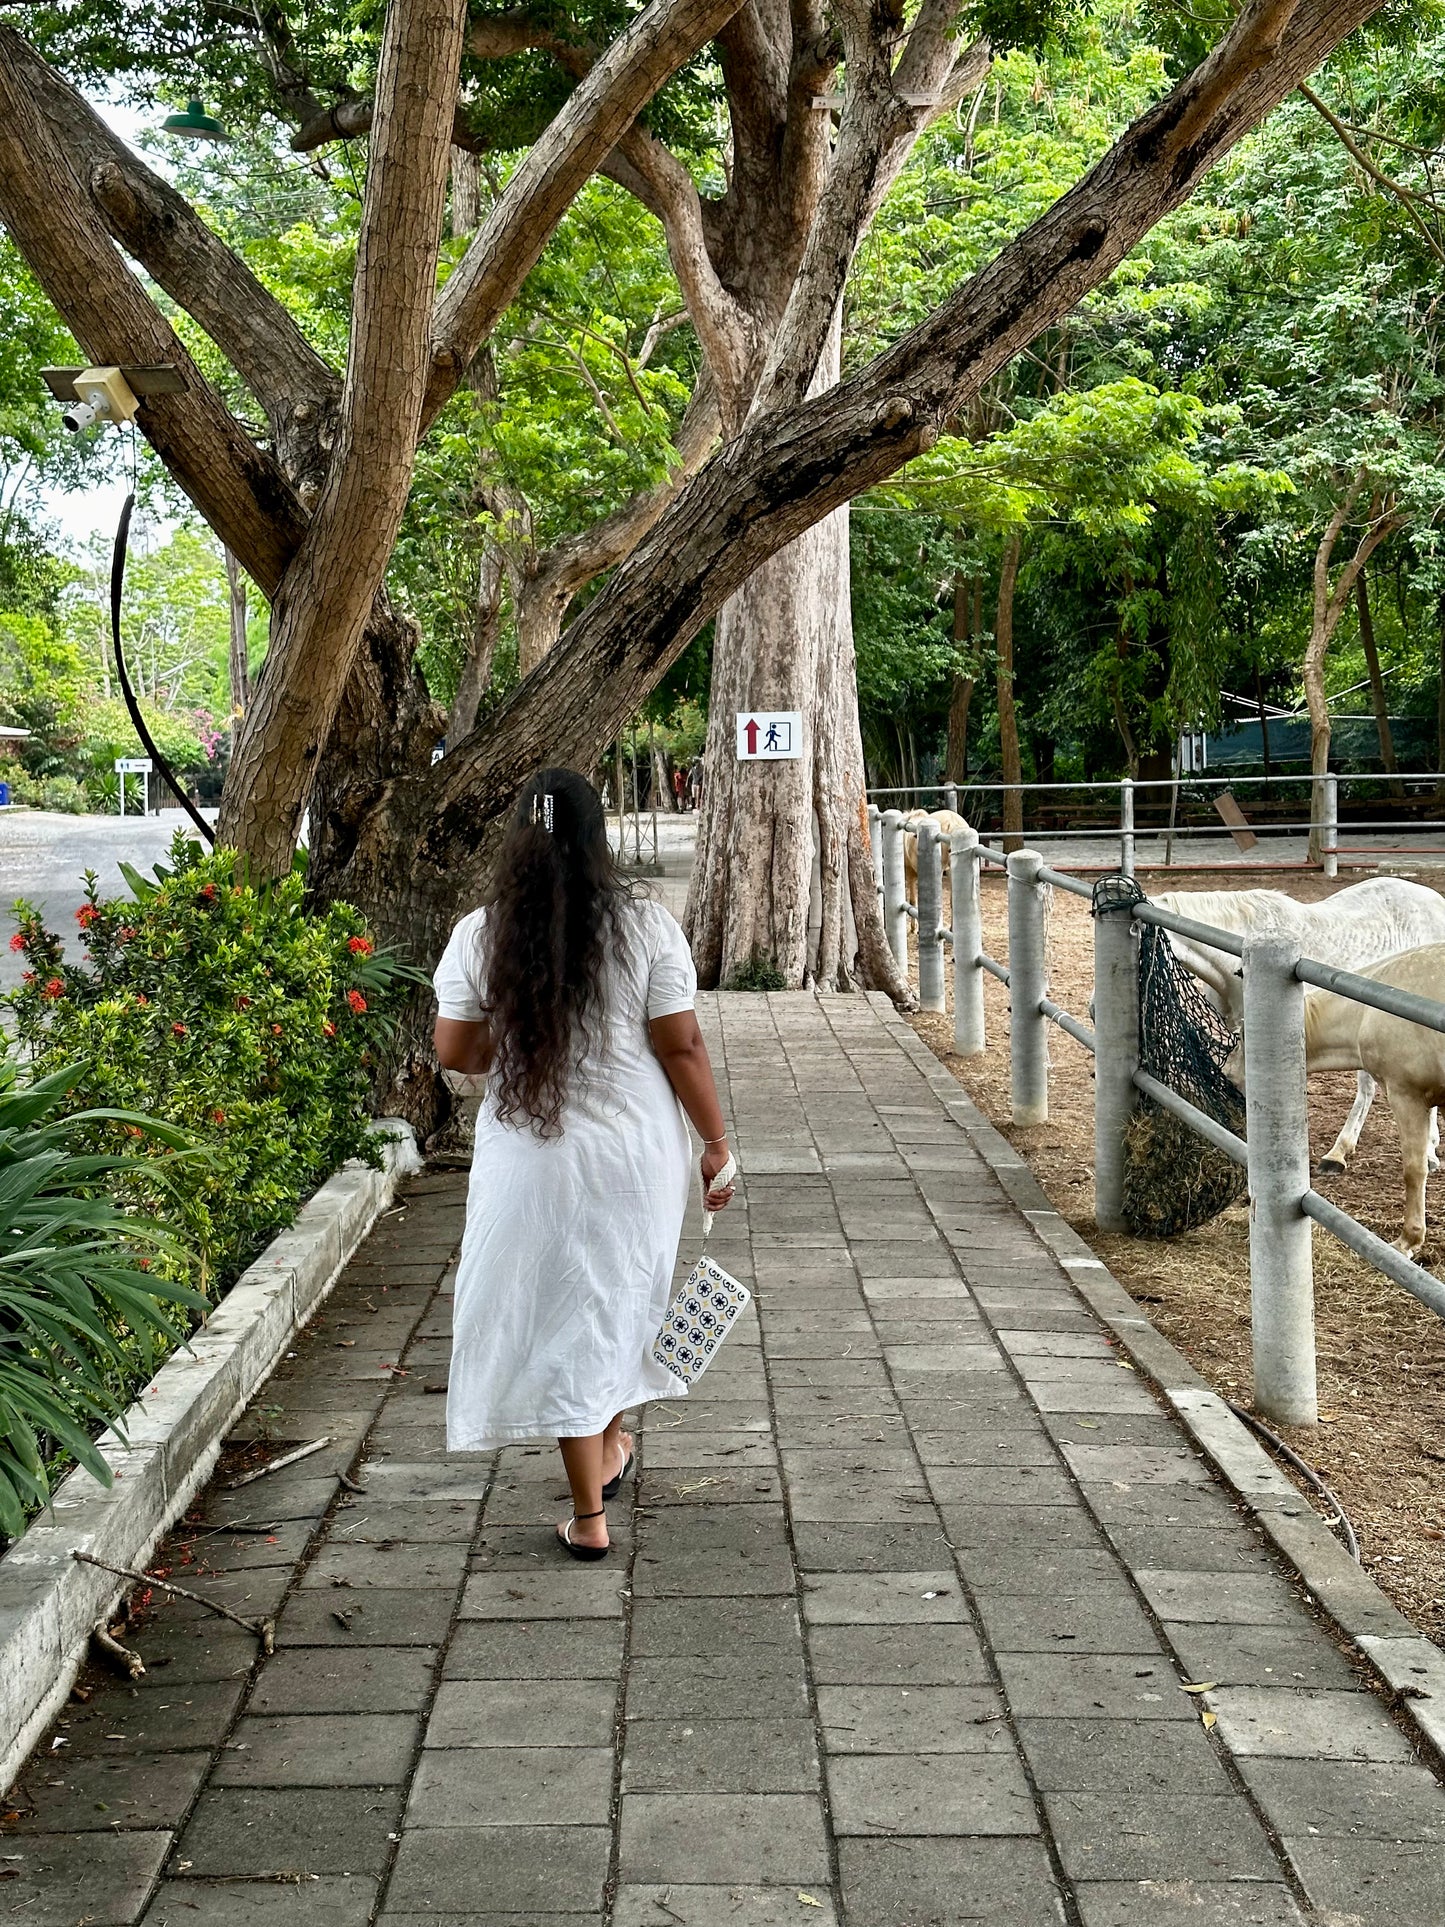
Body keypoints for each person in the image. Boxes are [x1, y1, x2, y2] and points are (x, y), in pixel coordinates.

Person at [432, 767, 735, 1562]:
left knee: (572, 1312)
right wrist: (716, 1143)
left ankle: (603, 1460)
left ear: (518, 846)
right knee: (609, 1301)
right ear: (596, 837)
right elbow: (681, 1044)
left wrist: (531, 1031)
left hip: (527, 1164)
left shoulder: (480, 932)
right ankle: (589, 1508)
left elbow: (455, 1049)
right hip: (635, 1161)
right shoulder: (646, 928)